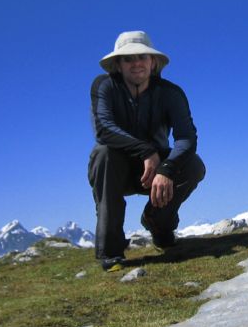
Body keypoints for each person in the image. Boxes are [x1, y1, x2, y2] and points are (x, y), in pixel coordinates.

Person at [88, 31, 206, 271]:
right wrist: (146, 151)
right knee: (103, 154)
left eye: (142, 57)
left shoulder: (171, 93)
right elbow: (103, 129)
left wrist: (167, 168)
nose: (136, 63)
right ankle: (111, 251)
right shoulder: (104, 86)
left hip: (157, 170)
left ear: (153, 62)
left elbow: (186, 137)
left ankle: (159, 224)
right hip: (116, 169)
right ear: (118, 66)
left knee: (193, 165)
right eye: (128, 58)